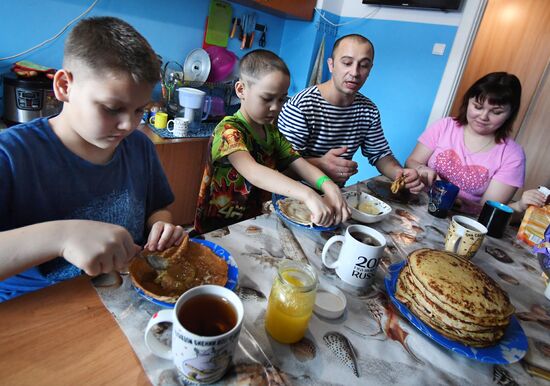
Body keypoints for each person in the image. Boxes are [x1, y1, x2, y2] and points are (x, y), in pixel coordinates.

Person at [0, 17, 184, 302]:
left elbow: (157, 208)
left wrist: (162, 226)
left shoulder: (139, 147)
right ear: (64, 86)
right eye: (112, 108)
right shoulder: (11, 154)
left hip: (122, 297)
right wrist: (61, 236)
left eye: (139, 111)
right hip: (37, 311)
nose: (128, 125)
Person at [194, 49, 350, 234]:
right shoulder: (229, 130)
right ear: (241, 90)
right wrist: (307, 194)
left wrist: (328, 186)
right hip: (217, 229)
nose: (276, 107)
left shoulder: (272, 132)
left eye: (281, 99)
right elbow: (254, 172)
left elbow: (299, 163)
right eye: (267, 98)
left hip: (252, 223)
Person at [278, 33, 423, 192]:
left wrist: (399, 174)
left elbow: (381, 154)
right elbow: (279, 166)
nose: (354, 72)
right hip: (292, 193)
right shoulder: (302, 106)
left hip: (335, 195)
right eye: (347, 63)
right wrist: (320, 164)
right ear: (331, 65)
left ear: (370, 70)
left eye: (364, 65)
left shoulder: (369, 110)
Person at [405, 72, 528, 214]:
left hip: (461, 220)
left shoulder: (512, 155)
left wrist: (453, 200)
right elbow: (411, 161)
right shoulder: (445, 126)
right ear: (468, 101)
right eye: (478, 106)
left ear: (509, 114)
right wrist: (421, 168)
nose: (483, 117)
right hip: (417, 205)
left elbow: (487, 209)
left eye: (496, 112)